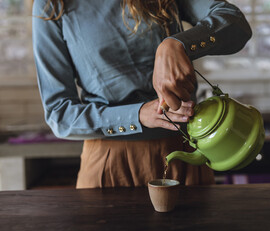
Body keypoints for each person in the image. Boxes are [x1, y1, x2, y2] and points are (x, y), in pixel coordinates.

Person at [32, 0, 252, 188]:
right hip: (110, 165)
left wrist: (177, 44)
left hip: (184, 155)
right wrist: (137, 115)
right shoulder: (52, 6)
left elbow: (236, 23)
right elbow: (59, 115)